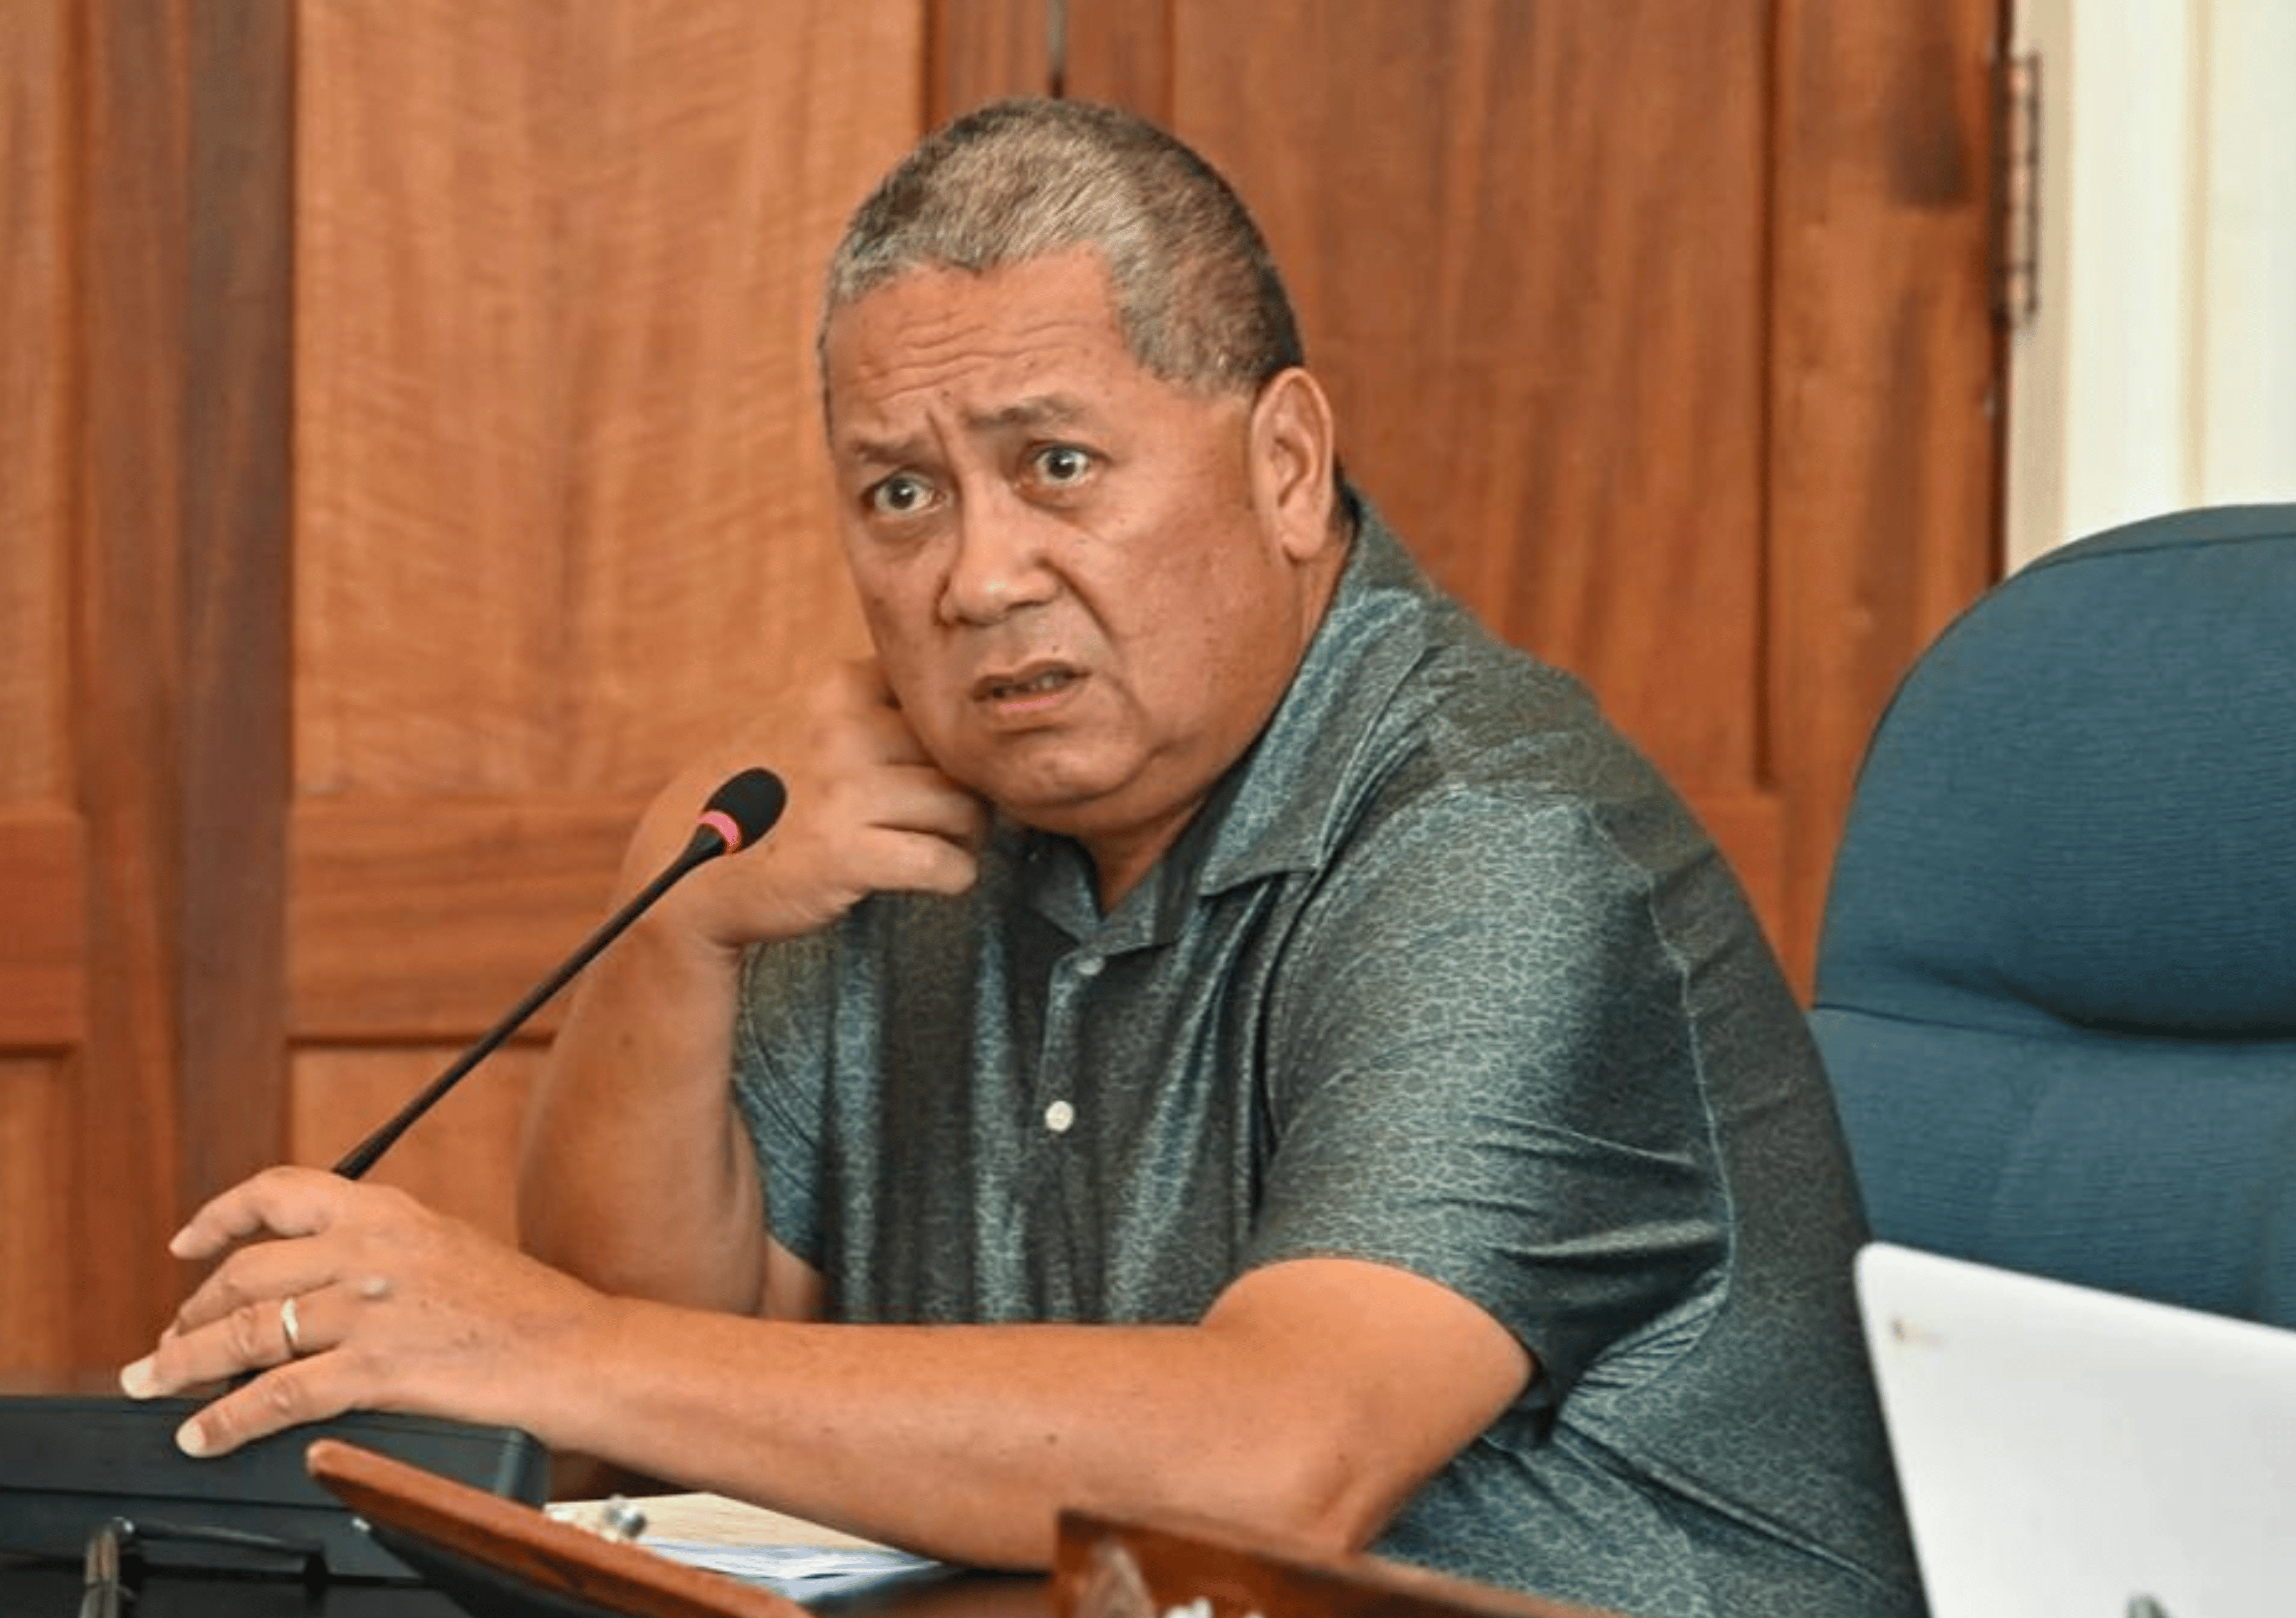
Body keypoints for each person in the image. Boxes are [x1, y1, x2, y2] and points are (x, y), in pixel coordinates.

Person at [122, 99, 1923, 1617]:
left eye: (1057, 464)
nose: (976, 578)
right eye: (899, 493)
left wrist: (542, 1340)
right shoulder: (910, 814)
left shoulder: (1495, 847)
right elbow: (685, 1369)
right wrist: (666, 932)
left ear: (1289, 466)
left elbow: (1276, 1456)